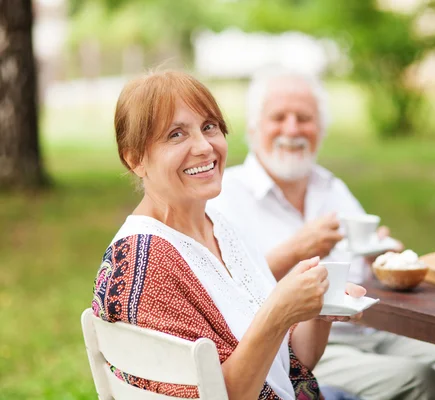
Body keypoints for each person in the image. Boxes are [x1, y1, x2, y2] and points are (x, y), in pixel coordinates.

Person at [210, 68, 435, 400]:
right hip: (295, 348)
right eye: (279, 117)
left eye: (303, 118)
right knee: (420, 382)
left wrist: (384, 259)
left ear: (320, 129)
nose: (292, 129)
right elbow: (226, 288)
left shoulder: (331, 187)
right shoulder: (227, 196)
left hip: (375, 330)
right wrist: (295, 249)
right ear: (253, 127)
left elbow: (367, 271)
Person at [90, 70, 366, 400]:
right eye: (176, 134)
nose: (205, 147)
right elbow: (222, 396)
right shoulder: (143, 265)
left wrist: (319, 310)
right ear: (135, 159)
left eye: (209, 127)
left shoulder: (221, 227)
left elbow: (291, 365)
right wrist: (277, 313)